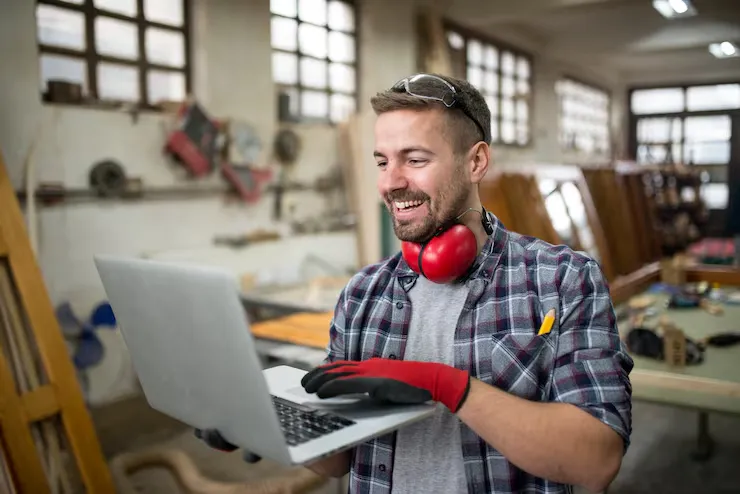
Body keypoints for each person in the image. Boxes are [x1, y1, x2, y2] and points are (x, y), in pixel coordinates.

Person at [197, 73, 634, 494]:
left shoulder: (562, 279)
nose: (391, 182)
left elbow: (595, 463)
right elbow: (339, 461)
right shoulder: (364, 293)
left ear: (476, 161)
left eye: (415, 159)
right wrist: (258, 424)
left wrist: (446, 385)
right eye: (383, 161)